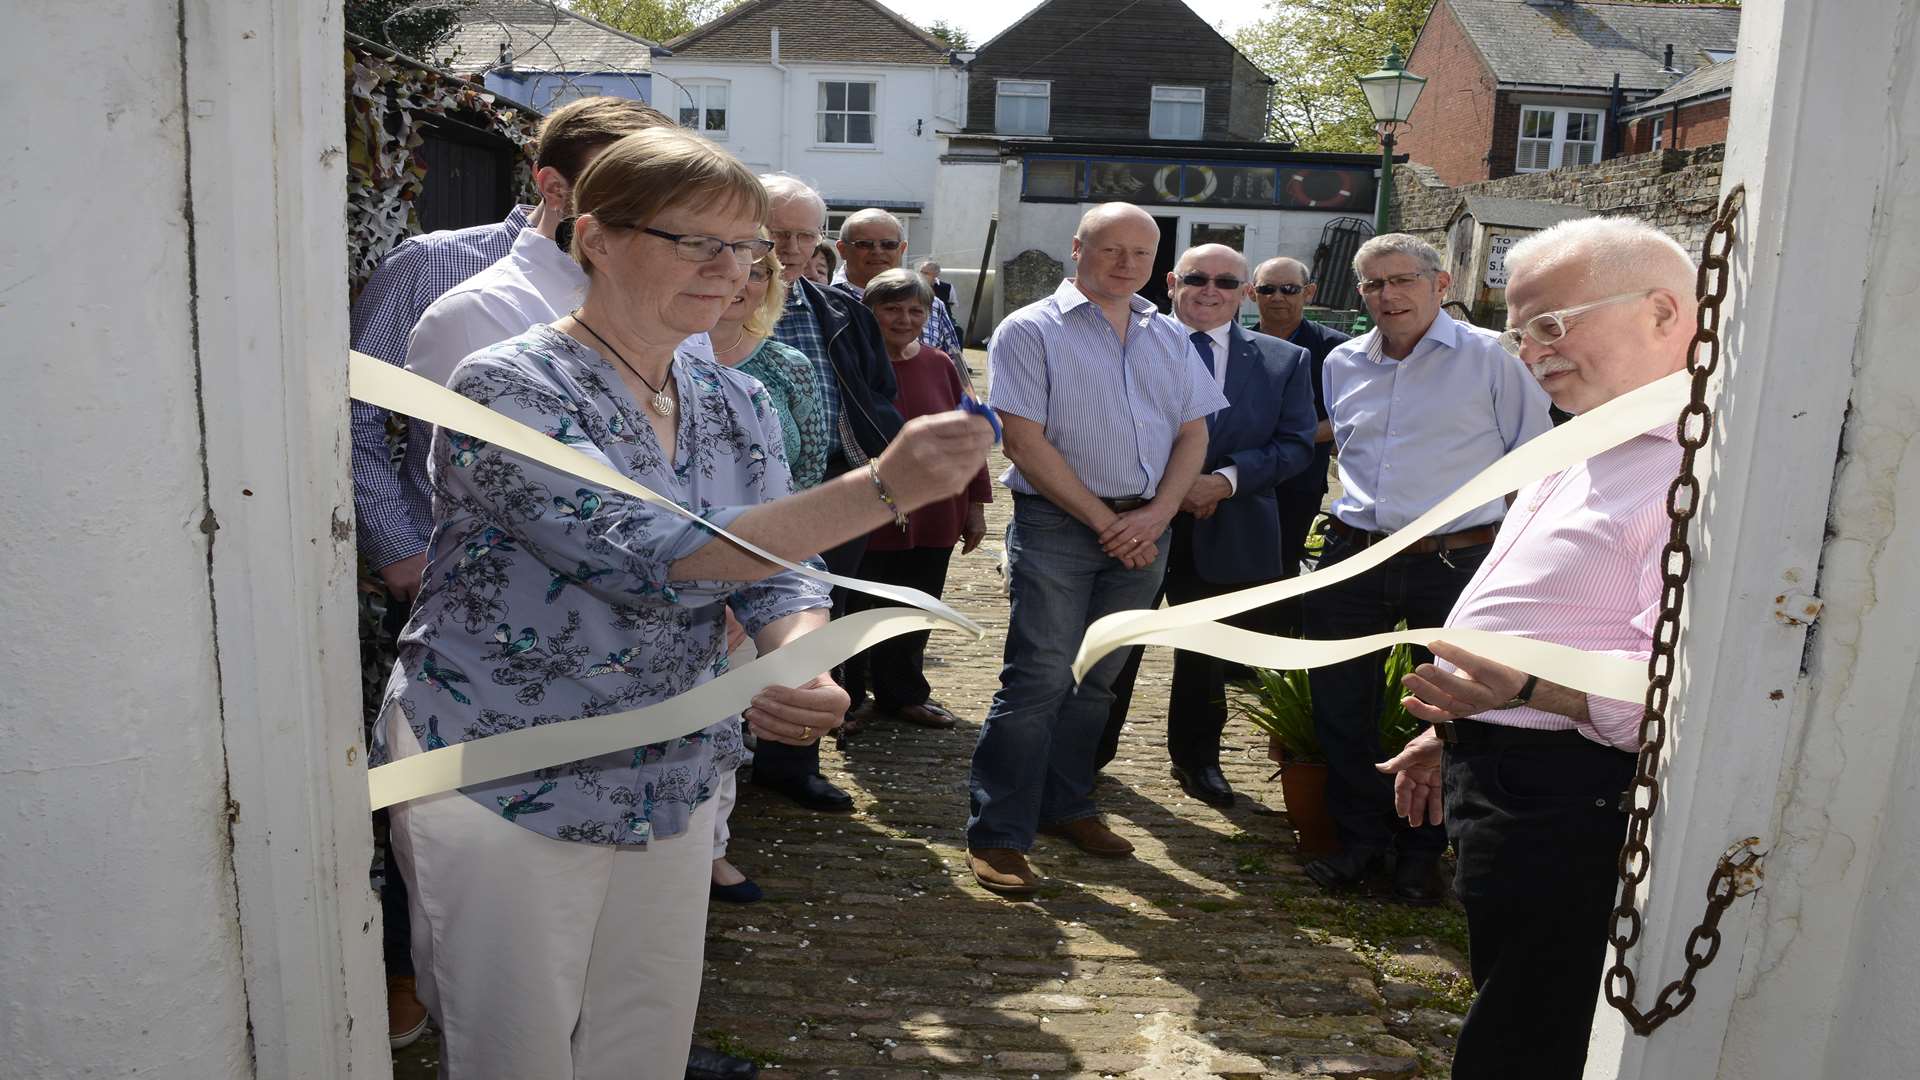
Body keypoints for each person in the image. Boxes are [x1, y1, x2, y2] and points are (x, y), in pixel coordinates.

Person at [375, 127, 993, 1079]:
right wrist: (879, 488)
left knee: (644, 1040)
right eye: (694, 241)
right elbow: (650, 553)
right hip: (506, 767)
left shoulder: (726, 396)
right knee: (518, 1050)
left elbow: (783, 565)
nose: (732, 270)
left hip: (670, 770)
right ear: (598, 238)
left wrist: (802, 661)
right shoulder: (506, 384)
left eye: (746, 246)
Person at [346, 94, 663, 1052]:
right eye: (623, 185)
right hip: (454, 598)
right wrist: (400, 551)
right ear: (553, 184)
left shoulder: (660, 281)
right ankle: (416, 985)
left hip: (618, 624)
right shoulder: (440, 269)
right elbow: (357, 414)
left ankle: (589, 1023)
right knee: (444, 815)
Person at [1376, 216, 1698, 1077]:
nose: (1531, 351)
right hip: (1508, 769)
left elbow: (1676, 689)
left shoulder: (1697, 470)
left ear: (1664, 312)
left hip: (1576, 798)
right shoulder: (1582, 439)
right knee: (1510, 991)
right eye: (1519, 331)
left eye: (1552, 324)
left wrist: (1520, 694)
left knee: (1530, 1033)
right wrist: (1457, 729)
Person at [967, 203, 1228, 897]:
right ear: (1077, 248)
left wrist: (1156, 515)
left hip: (1146, 529)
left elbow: (1193, 436)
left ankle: (1065, 806)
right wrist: (1104, 520)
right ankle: (999, 832)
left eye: (1140, 253)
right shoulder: (1029, 330)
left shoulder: (1168, 335)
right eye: (1111, 249)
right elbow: (1022, 440)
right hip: (1058, 525)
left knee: (1097, 684)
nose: (1126, 264)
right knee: (1039, 679)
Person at [1304, 234, 1553, 906]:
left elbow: (1534, 462)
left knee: (1451, 709)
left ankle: (1422, 855)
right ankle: (1360, 841)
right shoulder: (1344, 362)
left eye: (1402, 280)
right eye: (1372, 285)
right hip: (1354, 553)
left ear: (1440, 283)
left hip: (1458, 559)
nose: (1388, 295)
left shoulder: (1491, 361)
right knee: (1339, 702)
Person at [1100, 245, 1317, 806]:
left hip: (1229, 523)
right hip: (1132, 523)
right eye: (1197, 278)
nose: (1210, 289)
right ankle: (1087, 755)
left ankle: (1197, 761)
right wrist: (1166, 491)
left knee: (1205, 656)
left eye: (1226, 281)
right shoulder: (1122, 341)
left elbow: (1295, 445)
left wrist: (1223, 480)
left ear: (1246, 292)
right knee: (1115, 649)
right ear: (1172, 282)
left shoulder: (1280, 361)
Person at [753, 174, 907, 812]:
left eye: (802, 235)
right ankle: (722, 753)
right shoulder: (709, 305)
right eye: (775, 234)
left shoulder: (842, 311)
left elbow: (878, 395)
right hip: (746, 499)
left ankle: (793, 759)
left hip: (837, 495)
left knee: (819, 627)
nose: (789, 247)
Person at [706, 245, 833, 903]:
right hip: (681, 580)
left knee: (724, 721)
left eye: (757, 270)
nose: (738, 282)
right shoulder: (654, 356)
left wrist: (755, 582)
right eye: (728, 264)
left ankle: (712, 851)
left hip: (764, 569)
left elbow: (807, 473)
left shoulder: (783, 367)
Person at [840, 268, 991, 736]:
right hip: (870, 510)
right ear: (870, 312)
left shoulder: (941, 363)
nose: (904, 319)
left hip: (935, 512)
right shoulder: (850, 365)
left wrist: (976, 505)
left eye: (915, 310)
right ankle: (849, 699)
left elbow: (969, 435)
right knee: (858, 607)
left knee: (917, 607)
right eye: (891, 308)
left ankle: (903, 694)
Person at [1252, 256, 1350, 603]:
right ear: (1252, 293)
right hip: (1239, 479)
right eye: (1267, 289)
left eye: (1289, 289)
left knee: (1283, 571)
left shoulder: (1335, 349)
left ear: (1308, 292)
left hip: (1299, 481)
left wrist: (1287, 440)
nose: (1278, 297)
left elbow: (1347, 419)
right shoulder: (1236, 345)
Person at [831, 208, 968, 381]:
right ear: (842, 249)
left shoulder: (932, 304)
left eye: (888, 244)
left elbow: (957, 375)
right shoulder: (823, 302)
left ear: (902, 248)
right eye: (864, 244)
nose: (878, 251)